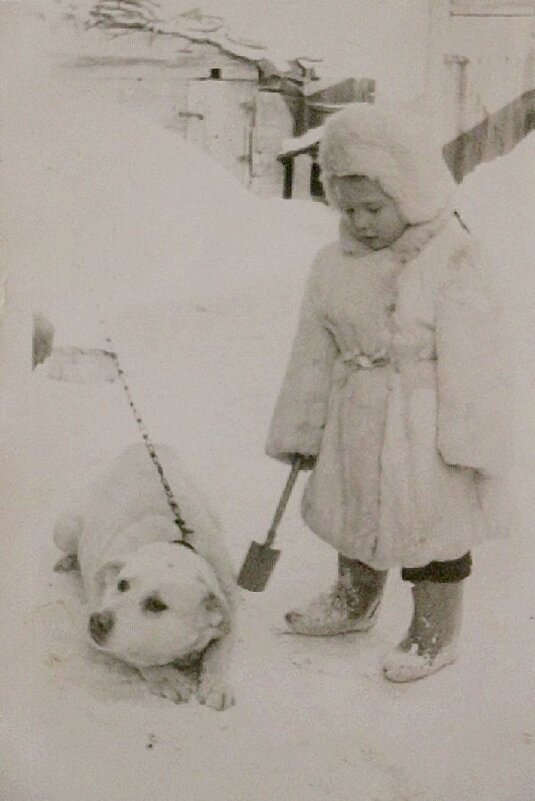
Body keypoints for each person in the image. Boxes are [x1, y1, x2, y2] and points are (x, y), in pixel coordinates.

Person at [265, 103, 510, 682]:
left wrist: (472, 443)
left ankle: (435, 630)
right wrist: (301, 430)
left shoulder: (453, 257)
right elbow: (312, 353)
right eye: (348, 210)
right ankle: (355, 598)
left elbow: (476, 360)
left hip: (427, 427)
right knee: (353, 508)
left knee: (434, 532)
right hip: (355, 413)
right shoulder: (332, 264)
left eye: (374, 208)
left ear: (414, 193)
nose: (362, 223)